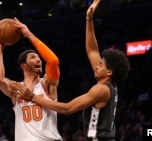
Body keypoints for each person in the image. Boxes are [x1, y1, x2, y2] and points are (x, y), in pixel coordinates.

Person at [14, 0, 131, 141]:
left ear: (109, 72)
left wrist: (32, 97)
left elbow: (67, 109)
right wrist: (89, 18)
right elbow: (92, 50)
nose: (97, 65)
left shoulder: (101, 90)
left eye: (101, 65)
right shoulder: (109, 82)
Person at [0, 17, 62, 141]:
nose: (38, 59)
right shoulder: (16, 88)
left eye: (38, 57)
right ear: (24, 66)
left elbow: (53, 60)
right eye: (33, 57)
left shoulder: (47, 83)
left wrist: (28, 34)